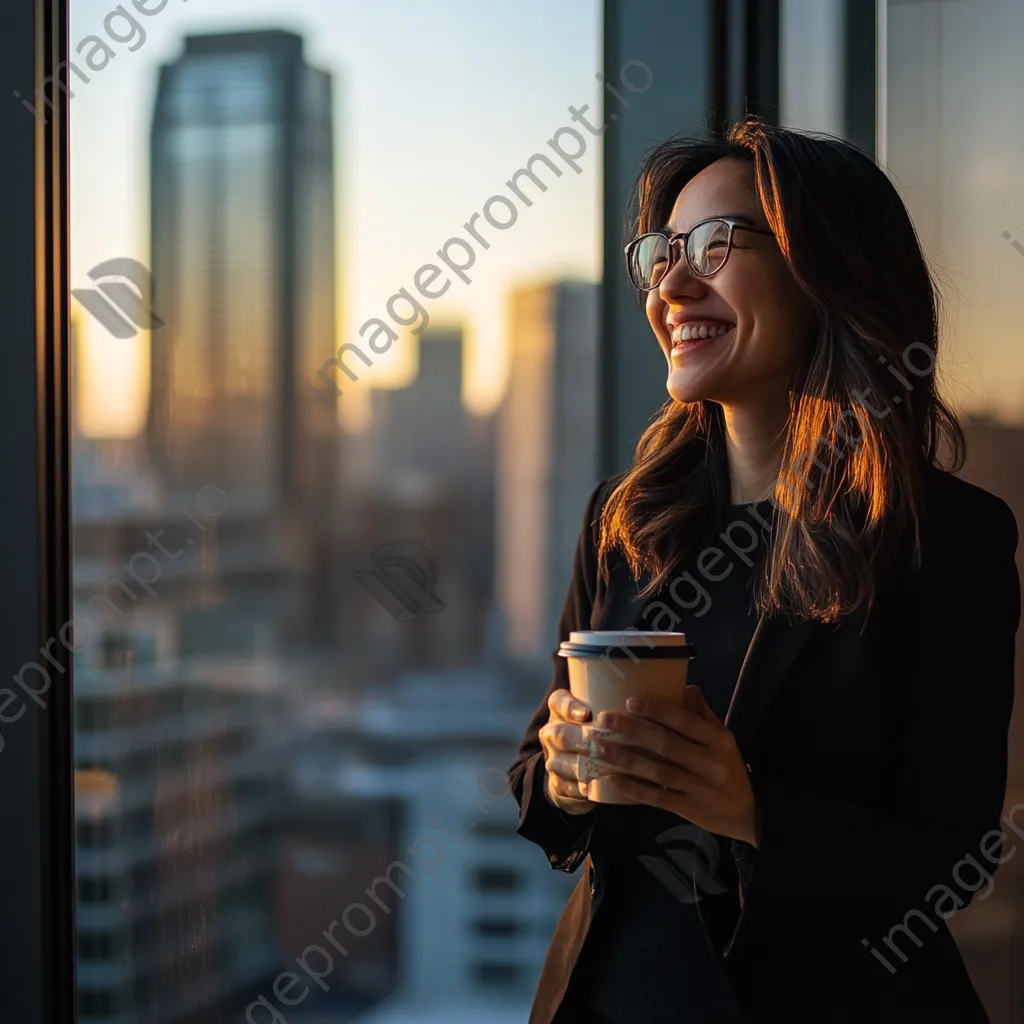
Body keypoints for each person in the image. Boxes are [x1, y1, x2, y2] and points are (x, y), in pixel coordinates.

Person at [506, 115, 1021, 1024]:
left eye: (715, 243)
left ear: (826, 274)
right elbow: (538, 776)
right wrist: (561, 770)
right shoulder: (623, 518)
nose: (672, 280)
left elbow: (952, 859)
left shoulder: (946, 539)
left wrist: (750, 811)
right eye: (662, 251)